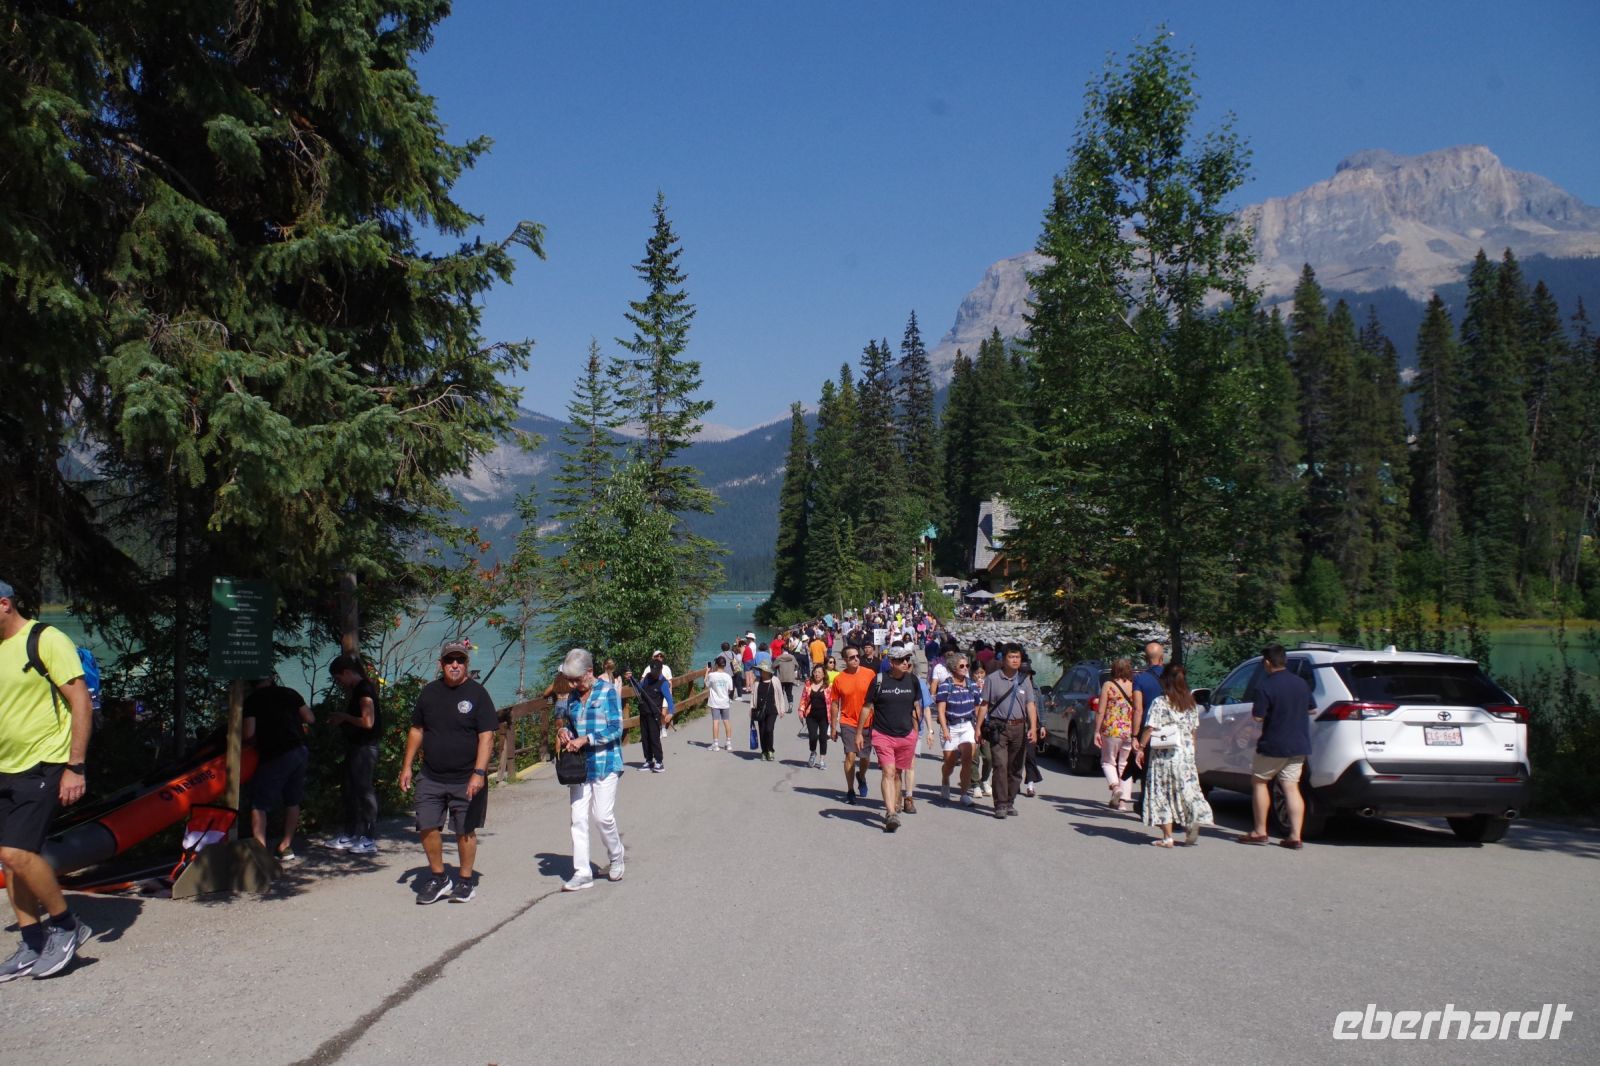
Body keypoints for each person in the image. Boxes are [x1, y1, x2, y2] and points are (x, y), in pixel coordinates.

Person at [0, 579, 95, 981]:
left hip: (43, 763)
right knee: (12, 862)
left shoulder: (45, 639)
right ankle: (32, 940)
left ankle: (68, 926)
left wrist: (76, 766)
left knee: (14, 853)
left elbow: (80, 701)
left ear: (3, 604)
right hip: (5, 766)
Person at [399, 641, 497, 903]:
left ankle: (465, 881)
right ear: (441, 664)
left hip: (466, 777)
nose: (455, 665)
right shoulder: (429, 693)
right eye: (450, 660)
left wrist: (479, 772)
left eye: (460, 660)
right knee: (427, 825)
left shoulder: (478, 694)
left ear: (466, 664)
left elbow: (487, 737)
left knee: (464, 829)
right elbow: (417, 730)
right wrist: (407, 765)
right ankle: (439, 877)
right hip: (431, 775)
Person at [556, 648, 625, 890]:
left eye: (577, 679)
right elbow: (570, 726)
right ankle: (582, 872)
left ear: (590, 672)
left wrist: (587, 739)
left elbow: (617, 728)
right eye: (570, 680)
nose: (573, 684)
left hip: (606, 763)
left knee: (602, 816)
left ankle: (616, 856)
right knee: (578, 819)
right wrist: (565, 733)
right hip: (580, 767)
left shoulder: (607, 692)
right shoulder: (573, 697)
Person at [1240, 644, 1315, 849]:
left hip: (1274, 743)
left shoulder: (1266, 685)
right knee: (1291, 787)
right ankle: (1295, 836)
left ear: (1267, 662)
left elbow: (1258, 716)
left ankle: (1260, 830)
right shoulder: (1301, 683)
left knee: (1259, 781)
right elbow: (1313, 709)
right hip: (1299, 743)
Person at [1138, 664, 1214, 847]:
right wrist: (1191, 751)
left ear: (1166, 680)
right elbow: (1194, 730)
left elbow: (1151, 727)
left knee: (1162, 793)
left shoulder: (1161, 702)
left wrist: (1140, 747)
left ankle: (1167, 837)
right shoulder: (1190, 703)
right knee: (1186, 791)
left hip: (1164, 756)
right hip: (1185, 754)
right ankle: (1191, 822)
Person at [242, 676, 314, 862]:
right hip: (299, 750)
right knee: (293, 799)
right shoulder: (290, 693)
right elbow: (310, 718)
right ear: (272, 679)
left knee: (259, 804)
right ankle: (285, 845)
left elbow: (249, 733)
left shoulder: (252, 700)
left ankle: (260, 850)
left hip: (276, 754)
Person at [973, 644, 1038, 819]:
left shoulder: (1025, 679)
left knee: (1016, 767)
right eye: (1011, 657)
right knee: (1000, 765)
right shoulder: (992, 679)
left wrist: (1033, 727)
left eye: (1018, 657)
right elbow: (984, 704)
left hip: (1020, 727)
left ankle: (1010, 801)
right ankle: (1000, 804)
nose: (1015, 660)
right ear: (1004, 659)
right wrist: (978, 728)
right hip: (998, 727)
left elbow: (1030, 704)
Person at [861, 645, 922, 832]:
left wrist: (916, 732)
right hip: (882, 733)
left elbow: (916, 706)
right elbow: (866, 707)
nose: (906, 663)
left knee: (897, 773)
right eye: (902, 660)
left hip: (905, 734)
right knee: (888, 771)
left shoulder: (912, 681)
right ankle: (890, 813)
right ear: (892, 662)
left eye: (907, 660)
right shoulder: (879, 681)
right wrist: (858, 733)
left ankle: (896, 802)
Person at [328, 654, 382, 854]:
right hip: (356, 745)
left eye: (338, 678)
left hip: (366, 747)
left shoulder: (364, 690)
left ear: (347, 672)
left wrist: (344, 717)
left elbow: (368, 722)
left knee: (364, 790)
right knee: (350, 789)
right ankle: (351, 833)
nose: (339, 683)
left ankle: (369, 836)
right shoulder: (357, 689)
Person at [828, 647, 876, 803]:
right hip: (847, 721)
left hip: (868, 721)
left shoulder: (870, 674)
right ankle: (850, 790)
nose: (856, 659)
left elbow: (877, 698)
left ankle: (861, 776)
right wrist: (833, 726)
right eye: (852, 657)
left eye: (857, 656)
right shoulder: (839, 679)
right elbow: (835, 704)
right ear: (845, 660)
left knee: (865, 758)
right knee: (850, 755)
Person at [1093, 659, 1142, 812]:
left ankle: (1115, 787)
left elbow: (1101, 710)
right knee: (1124, 764)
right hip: (1129, 729)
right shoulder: (1134, 686)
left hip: (1111, 729)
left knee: (1108, 761)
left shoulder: (1109, 685)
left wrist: (1096, 731)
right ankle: (1122, 802)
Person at [935, 653, 981, 806]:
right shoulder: (945, 686)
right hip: (951, 726)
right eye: (962, 666)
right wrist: (945, 729)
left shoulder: (972, 685)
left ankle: (964, 794)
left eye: (967, 665)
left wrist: (978, 727)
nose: (966, 668)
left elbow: (977, 706)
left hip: (967, 726)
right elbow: (941, 711)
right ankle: (945, 779)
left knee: (968, 759)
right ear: (954, 668)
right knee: (950, 762)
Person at [1130, 641, 1166, 814]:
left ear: (1145, 658)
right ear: (1162, 657)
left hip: (1149, 730)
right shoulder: (1174, 676)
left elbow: (1138, 709)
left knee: (1147, 770)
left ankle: (1147, 805)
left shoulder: (1140, 679)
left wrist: (1135, 735)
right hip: (1173, 730)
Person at [635, 651, 671, 773]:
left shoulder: (663, 682)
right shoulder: (646, 679)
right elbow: (638, 688)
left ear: (660, 670)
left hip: (655, 713)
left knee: (654, 738)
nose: (654, 674)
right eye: (652, 671)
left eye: (656, 672)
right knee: (645, 738)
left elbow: (669, 700)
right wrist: (631, 679)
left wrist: (670, 713)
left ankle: (659, 762)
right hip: (644, 711)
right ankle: (648, 760)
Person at [750, 661, 787, 761]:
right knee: (762, 731)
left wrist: (782, 708)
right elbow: (753, 696)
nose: (761, 672)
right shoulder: (757, 681)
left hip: (772, 710)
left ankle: (770, 750)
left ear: (768, 672)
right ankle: (764, 751)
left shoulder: (775, 680)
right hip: (759, 710)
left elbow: (780, 695)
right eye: (760, 670)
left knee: (769, 729)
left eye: (763, 670)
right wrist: (752, 708)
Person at [969, 662, 992, 798]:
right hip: (972, 725)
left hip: (987, 726)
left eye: (982, 673)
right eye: (977, 673)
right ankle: (975, 784)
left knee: (989, 757)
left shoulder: (989, 687)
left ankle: (985, 779)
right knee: (974, 756)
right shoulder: (969, 687)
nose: (979, 676)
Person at [800, 665, 830, 769]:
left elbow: (833, 702)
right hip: (811, 715)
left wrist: (835, 717)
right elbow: (803, 699)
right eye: (815, 672)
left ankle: (822, 760)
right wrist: (801, 711)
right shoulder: (808, 684)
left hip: (824, 716)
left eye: (819, 672)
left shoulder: (828, 686)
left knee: (823, 737)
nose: (817, 674)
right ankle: (813, 752)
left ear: (823, 674)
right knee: (812, 736)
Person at [705, 656, 735, 750]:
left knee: (715, 721)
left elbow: (706, 684)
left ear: (716, 665)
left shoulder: (712, 675)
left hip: (715, 702)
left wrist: (707, 671)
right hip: (725, 702)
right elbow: (730, 689)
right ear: (725, 665)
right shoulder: (728, 676)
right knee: (726, 721)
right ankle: (728, 743)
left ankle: (716, 744)